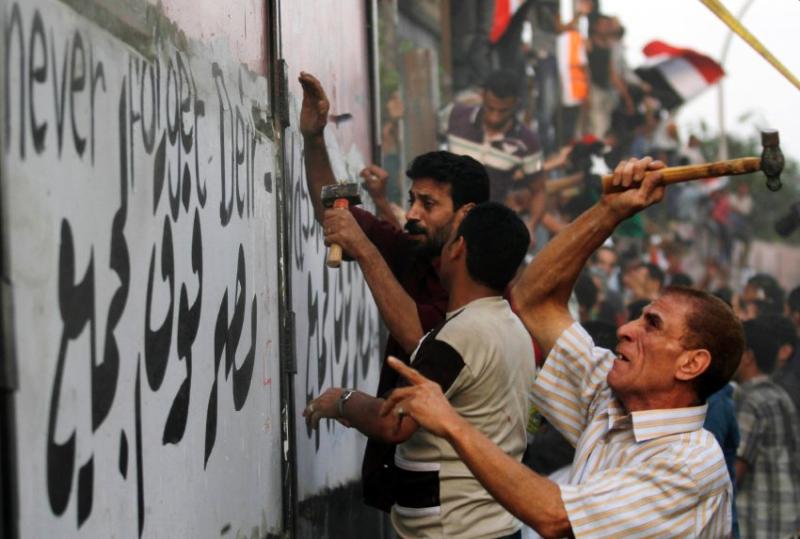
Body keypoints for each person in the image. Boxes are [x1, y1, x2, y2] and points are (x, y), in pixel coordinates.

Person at [381, 157, 744, 538]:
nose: (625, 329)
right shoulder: (611, 402)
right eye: (638, 316)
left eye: (652, 325)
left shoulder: (687, 464)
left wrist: (451, 423)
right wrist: (610, 210)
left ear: (691, 364)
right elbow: (534, 299)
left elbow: (556, 516)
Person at [298, 72, 491, 512]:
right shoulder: (415, 252)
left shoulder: (479, 295)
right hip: (416, 506)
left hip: (459, 516)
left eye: (429, 204)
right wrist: (313, 139)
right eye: (413, 199)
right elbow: (335, 211)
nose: (414, 214)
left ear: (466, 215)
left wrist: (343, 402)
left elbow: (419, 343)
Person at [304, 203, 535, 539]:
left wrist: (342, 401)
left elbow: (394, 421)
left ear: (458, 249)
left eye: (450, 237)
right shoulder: (513, 329)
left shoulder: (461, 335)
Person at [446, 69, 568, 244]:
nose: (495, 117)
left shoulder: (527, 142)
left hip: (486, 231)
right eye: (490, 108)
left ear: (515, 104)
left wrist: (531, 226)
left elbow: (539, 190)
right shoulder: (455, 117)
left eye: (503, 111)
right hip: (445, 221)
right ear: (482, 96)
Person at [733, 316, 800, 538]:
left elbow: (736, 470)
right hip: (784, 519)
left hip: (755, 521)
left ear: (748, 357)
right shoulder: (780, 396)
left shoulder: (749, 400)